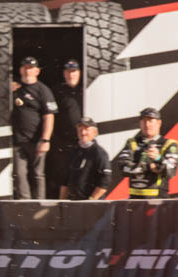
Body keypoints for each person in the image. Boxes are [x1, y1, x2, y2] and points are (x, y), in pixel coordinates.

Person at [9, 56, 56, 199]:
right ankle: (25, 204)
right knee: (19, 174)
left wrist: (45, 139)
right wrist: (7, 90)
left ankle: (39, 204)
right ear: (21, 70)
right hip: (18, 141)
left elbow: (49, 116)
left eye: (31, 68)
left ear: (37, 71)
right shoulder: (14, 87)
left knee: (37, 174)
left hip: (37, 141)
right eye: (25, 68)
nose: (28, 71)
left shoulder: (43, 90)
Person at [113, 107, 178, 198]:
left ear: (159, 123)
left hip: (159, 199)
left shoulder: (169, 144)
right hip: (134, 199)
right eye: (144, 121)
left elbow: (171, 171)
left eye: (150, 121)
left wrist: (158, 158)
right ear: (140, 123)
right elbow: (123, 168)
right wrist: (149, 166)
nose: (147, 124)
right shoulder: (132, 143)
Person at [46, 60, 84, 193]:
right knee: (60, 175)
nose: (71, 75)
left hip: (81, 142)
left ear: (79, 73)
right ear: (64, 73)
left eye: (74, 71)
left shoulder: (85, 90)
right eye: (68, 71)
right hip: (61, 143)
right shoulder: (57, 91)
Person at [59, 118, 111, 200]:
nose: (83, 133)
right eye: (80, 130)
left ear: (95, 132)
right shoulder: (73, 152)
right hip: (72, 203)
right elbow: (65, 180)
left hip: (92, 204)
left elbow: (104, 182)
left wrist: (91, 201)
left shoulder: (100, 153)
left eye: (87, 129)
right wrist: (61, 202)